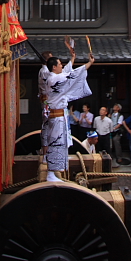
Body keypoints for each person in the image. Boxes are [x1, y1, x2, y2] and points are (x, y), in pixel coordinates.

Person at [42, 53, 95, 182]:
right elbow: (72, 74)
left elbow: (67, 72)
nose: (62, 66)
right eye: (60, 64)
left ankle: (55, 171)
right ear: (54, 67)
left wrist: (73, 58)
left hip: (60, 116)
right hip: (57, 117)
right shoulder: (54, 79)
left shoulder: (55, 76)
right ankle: (51, 173)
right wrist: (89, 64)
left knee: (60, 143)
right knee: (56, 143)